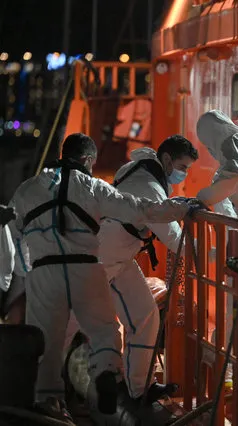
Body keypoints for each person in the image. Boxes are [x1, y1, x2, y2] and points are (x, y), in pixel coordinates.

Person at [7, 133, 195, 421]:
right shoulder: (94, 187)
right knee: (93, 330)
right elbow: (143, 209)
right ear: (89, 161)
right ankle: (96, 379)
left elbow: (16, 232)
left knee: (55, 337)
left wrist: (23, 272)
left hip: (59, 268)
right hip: (92, 263)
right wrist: (184, 207)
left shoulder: (27, 189)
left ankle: (52, 403)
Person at [64, 135, 200, 404]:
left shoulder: (136, 169)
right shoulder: (147, 184)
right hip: (100, 260)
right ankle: (32, 386)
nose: (183, 174)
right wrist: (213, 254)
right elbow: (173, 236)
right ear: (167, 160)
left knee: (145, 315)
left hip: (119, 258)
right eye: (183, 167)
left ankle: (139, 389)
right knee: (67, 326)